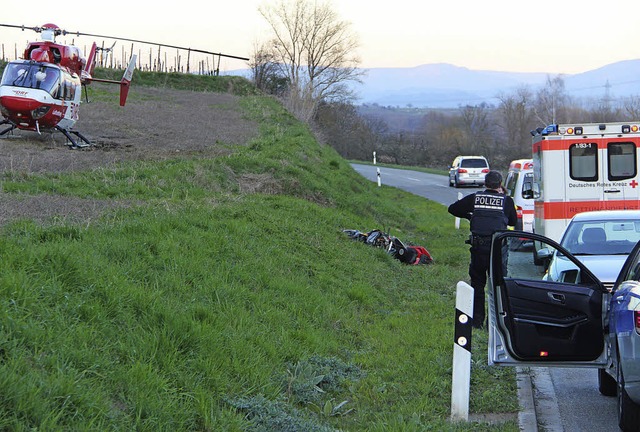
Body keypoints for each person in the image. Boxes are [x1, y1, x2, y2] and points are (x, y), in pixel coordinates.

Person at [447, 170, 517, 328]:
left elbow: (453, 209)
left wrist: (470, 216)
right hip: (497, 250)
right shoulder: (506, 201)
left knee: (478, 285)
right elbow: (512, 220)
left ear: (485, 183)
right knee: (498, 285)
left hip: (478, 249)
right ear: (500, 185)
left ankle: (477, 321)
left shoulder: (476, 198)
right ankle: (495, 323)